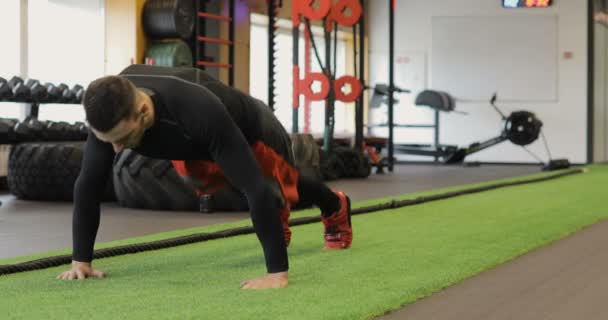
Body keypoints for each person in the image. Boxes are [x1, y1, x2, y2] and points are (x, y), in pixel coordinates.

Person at [56, 65, 353, 290]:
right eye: (107, 140)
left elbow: (255, 188)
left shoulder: (197, 109)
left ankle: (335, 206)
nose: (115, 149)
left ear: (143, 112)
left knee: (278, 188)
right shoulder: (112, 111)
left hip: (251, 131)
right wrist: (81, 261)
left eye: (121, 139)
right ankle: (287, 214)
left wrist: (277, 274)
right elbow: (88, 184)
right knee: (212, 183)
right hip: (192, 143)